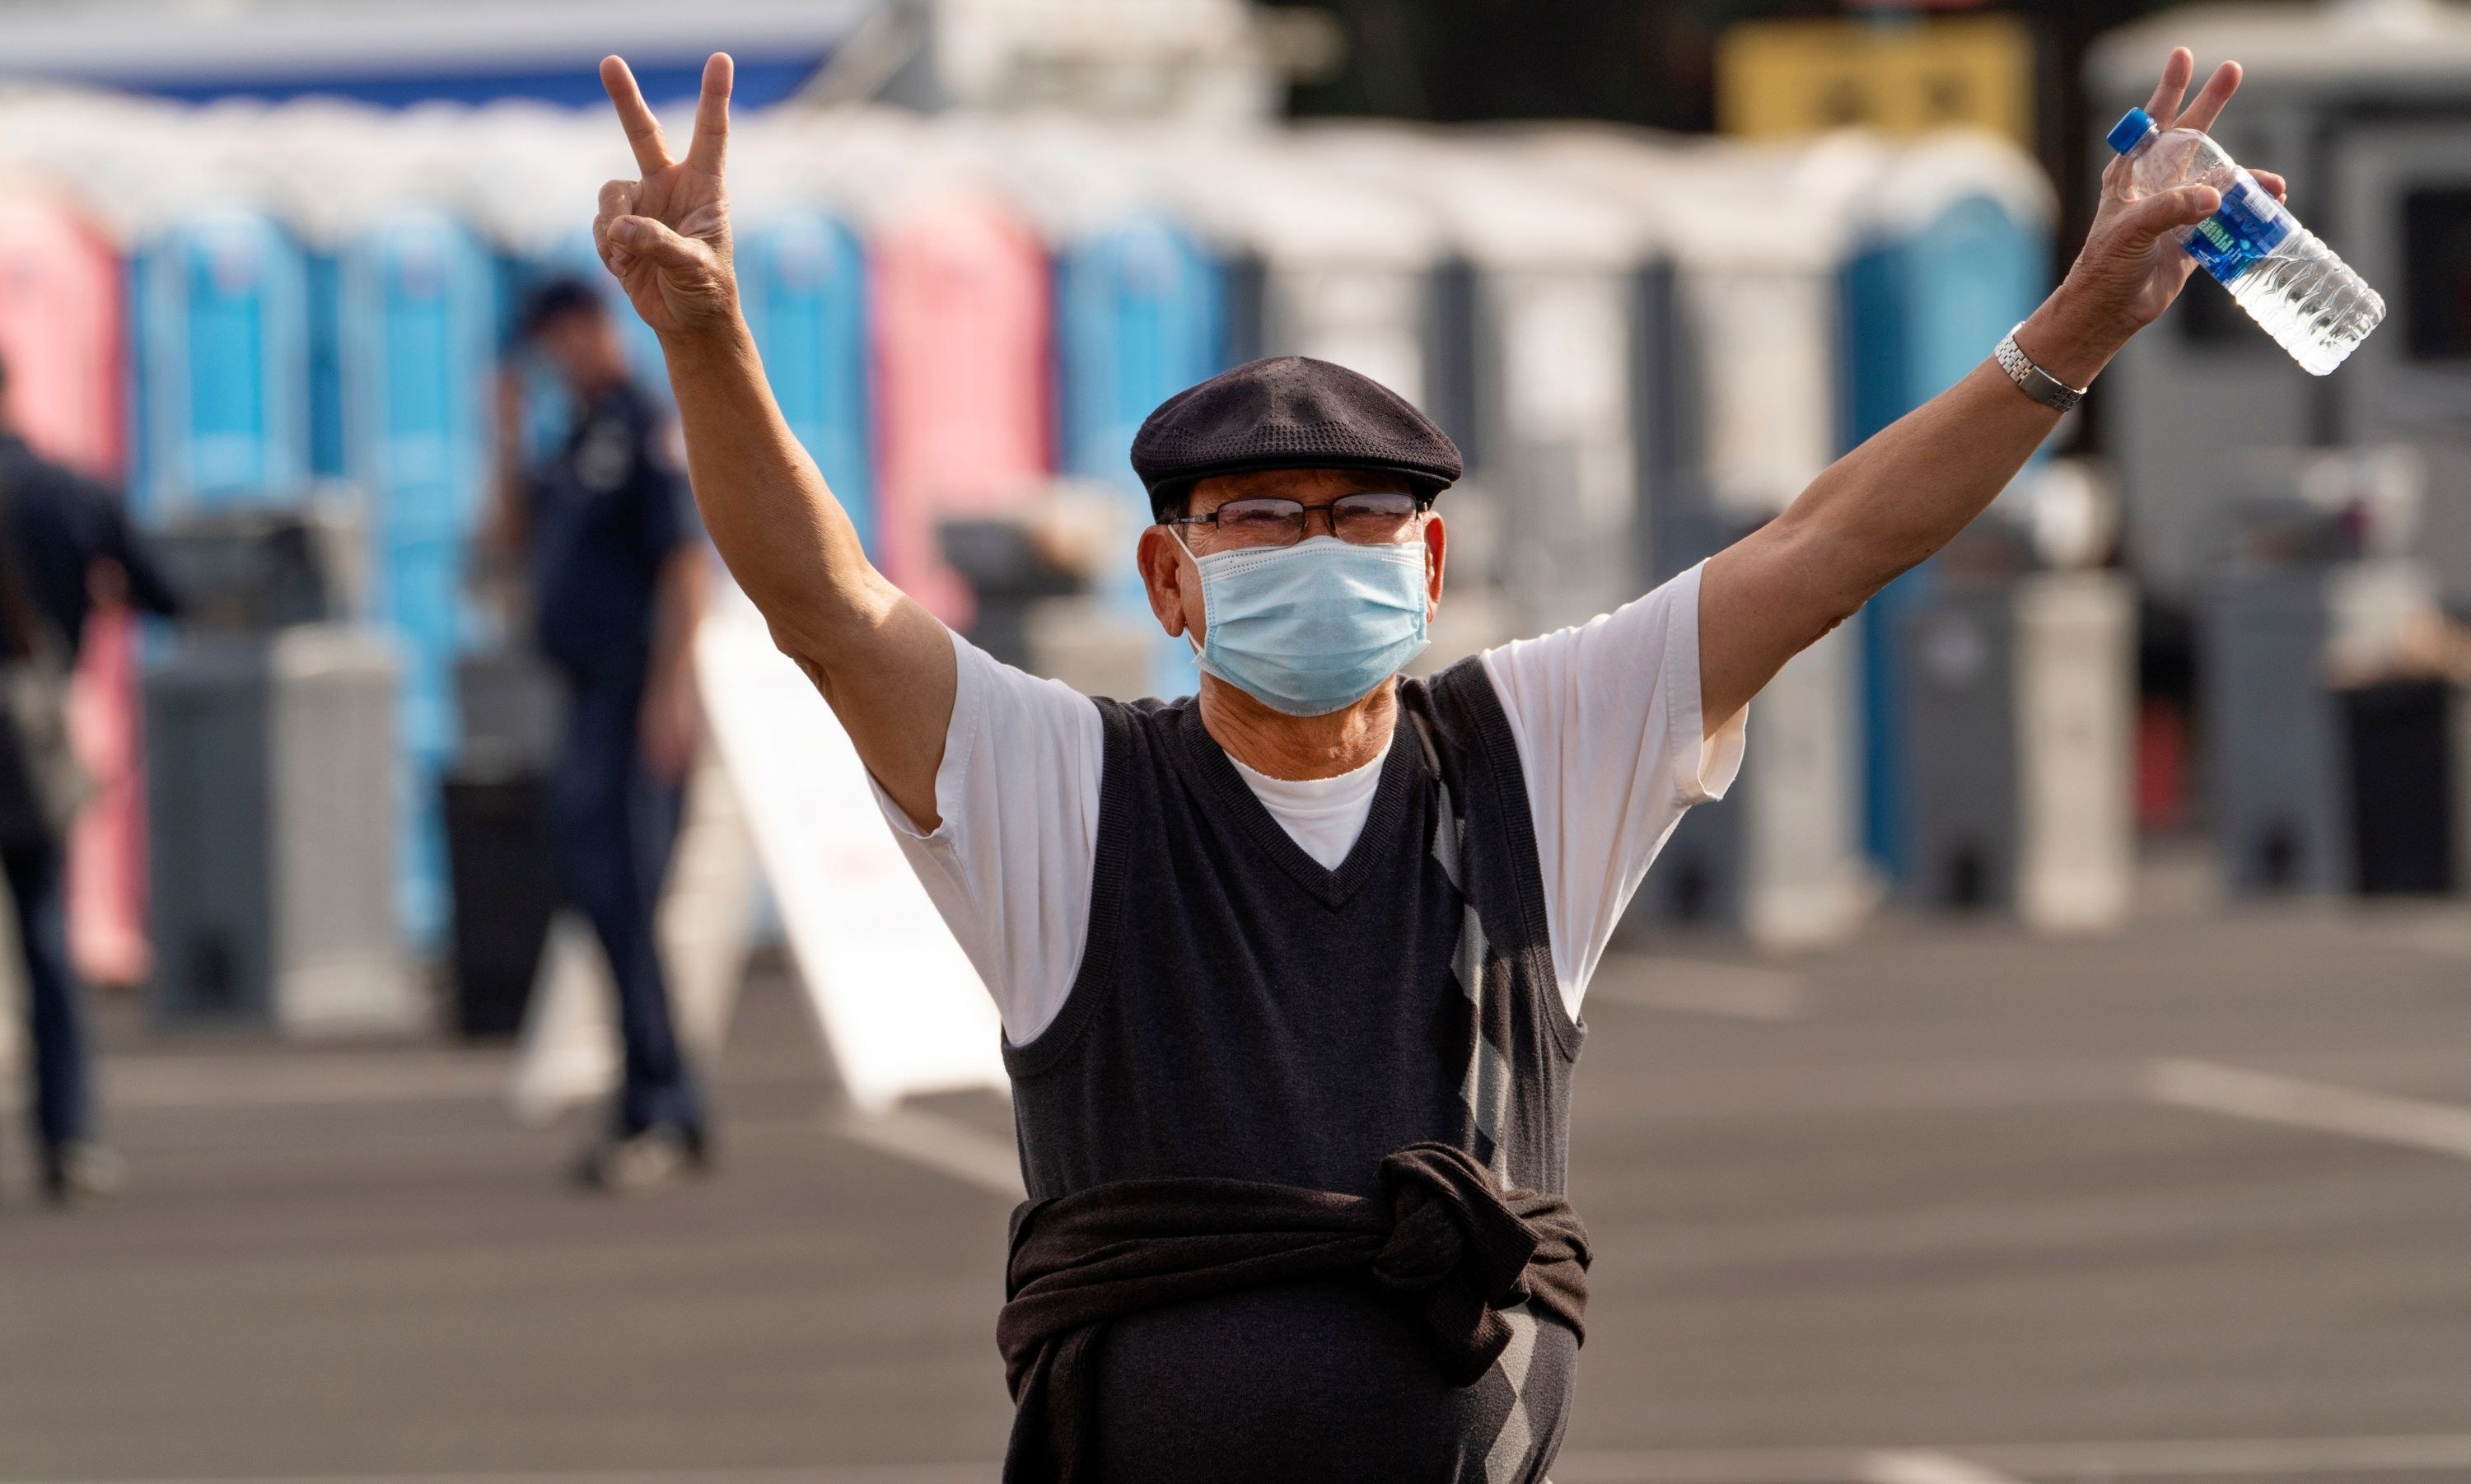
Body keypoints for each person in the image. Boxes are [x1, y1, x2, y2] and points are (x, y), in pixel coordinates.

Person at [590, 46, 2276, 1480]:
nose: (1318, 548)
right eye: (1257, 520)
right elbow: (825, 602)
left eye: (1364, 518)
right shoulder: (1065, 789)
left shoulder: (1535, 750)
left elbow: (1829, 542)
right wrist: (706, 336)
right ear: (1169, 578)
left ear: (1431, 569)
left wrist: (2066, 338)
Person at [492, 278, 710, 1192]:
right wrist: (502, 437)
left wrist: (672, 691)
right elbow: (508, 540)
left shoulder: (643, 426)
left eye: (559, 341)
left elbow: (684, 561)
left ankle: (662, 1104)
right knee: (599, 897)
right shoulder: (578, 436)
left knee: (628, 897)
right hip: (583, 698)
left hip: (631, 696)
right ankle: (650, 1100)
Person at [0, 348, 180, 1206]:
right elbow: (164, 592)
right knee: (44, 937)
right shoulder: (68, 489)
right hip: (30, 738)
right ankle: (68, 1135)